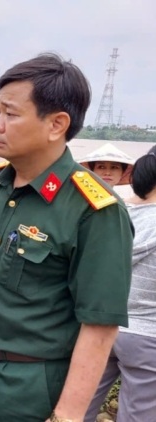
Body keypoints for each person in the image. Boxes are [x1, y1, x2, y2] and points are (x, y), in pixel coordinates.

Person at [0, 53, 133, 422]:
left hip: (32, 382)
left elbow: (99, 323)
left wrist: (68, 413)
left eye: (10, 114)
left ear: (56, 124)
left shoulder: (94, 209)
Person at [85, 147, 156, 422]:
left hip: (101, 324)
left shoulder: (116, 211)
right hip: (147, 335)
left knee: (81, 401)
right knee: (138, 414)